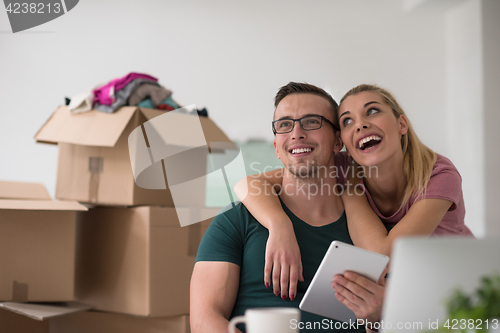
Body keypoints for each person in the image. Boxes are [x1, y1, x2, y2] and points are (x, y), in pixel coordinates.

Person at [234, 83, 474, 301]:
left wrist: (351, 189)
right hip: (409, 287)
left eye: (372, 111)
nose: (360, 124)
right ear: (342, 140)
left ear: (401, 124)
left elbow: (381, 256)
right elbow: (248, 184)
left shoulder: (438, 175)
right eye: (347, 121)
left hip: (461, 280)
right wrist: (280, 225)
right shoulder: (341, 163)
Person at [190, 83, 385, 333]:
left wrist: (380, 320)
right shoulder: (235, 221)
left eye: (312, 121)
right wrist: (279, 224)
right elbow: (204, 320)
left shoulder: (368, 230)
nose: (296, 133)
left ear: (338, 142)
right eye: (284, 124)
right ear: (276, 148)